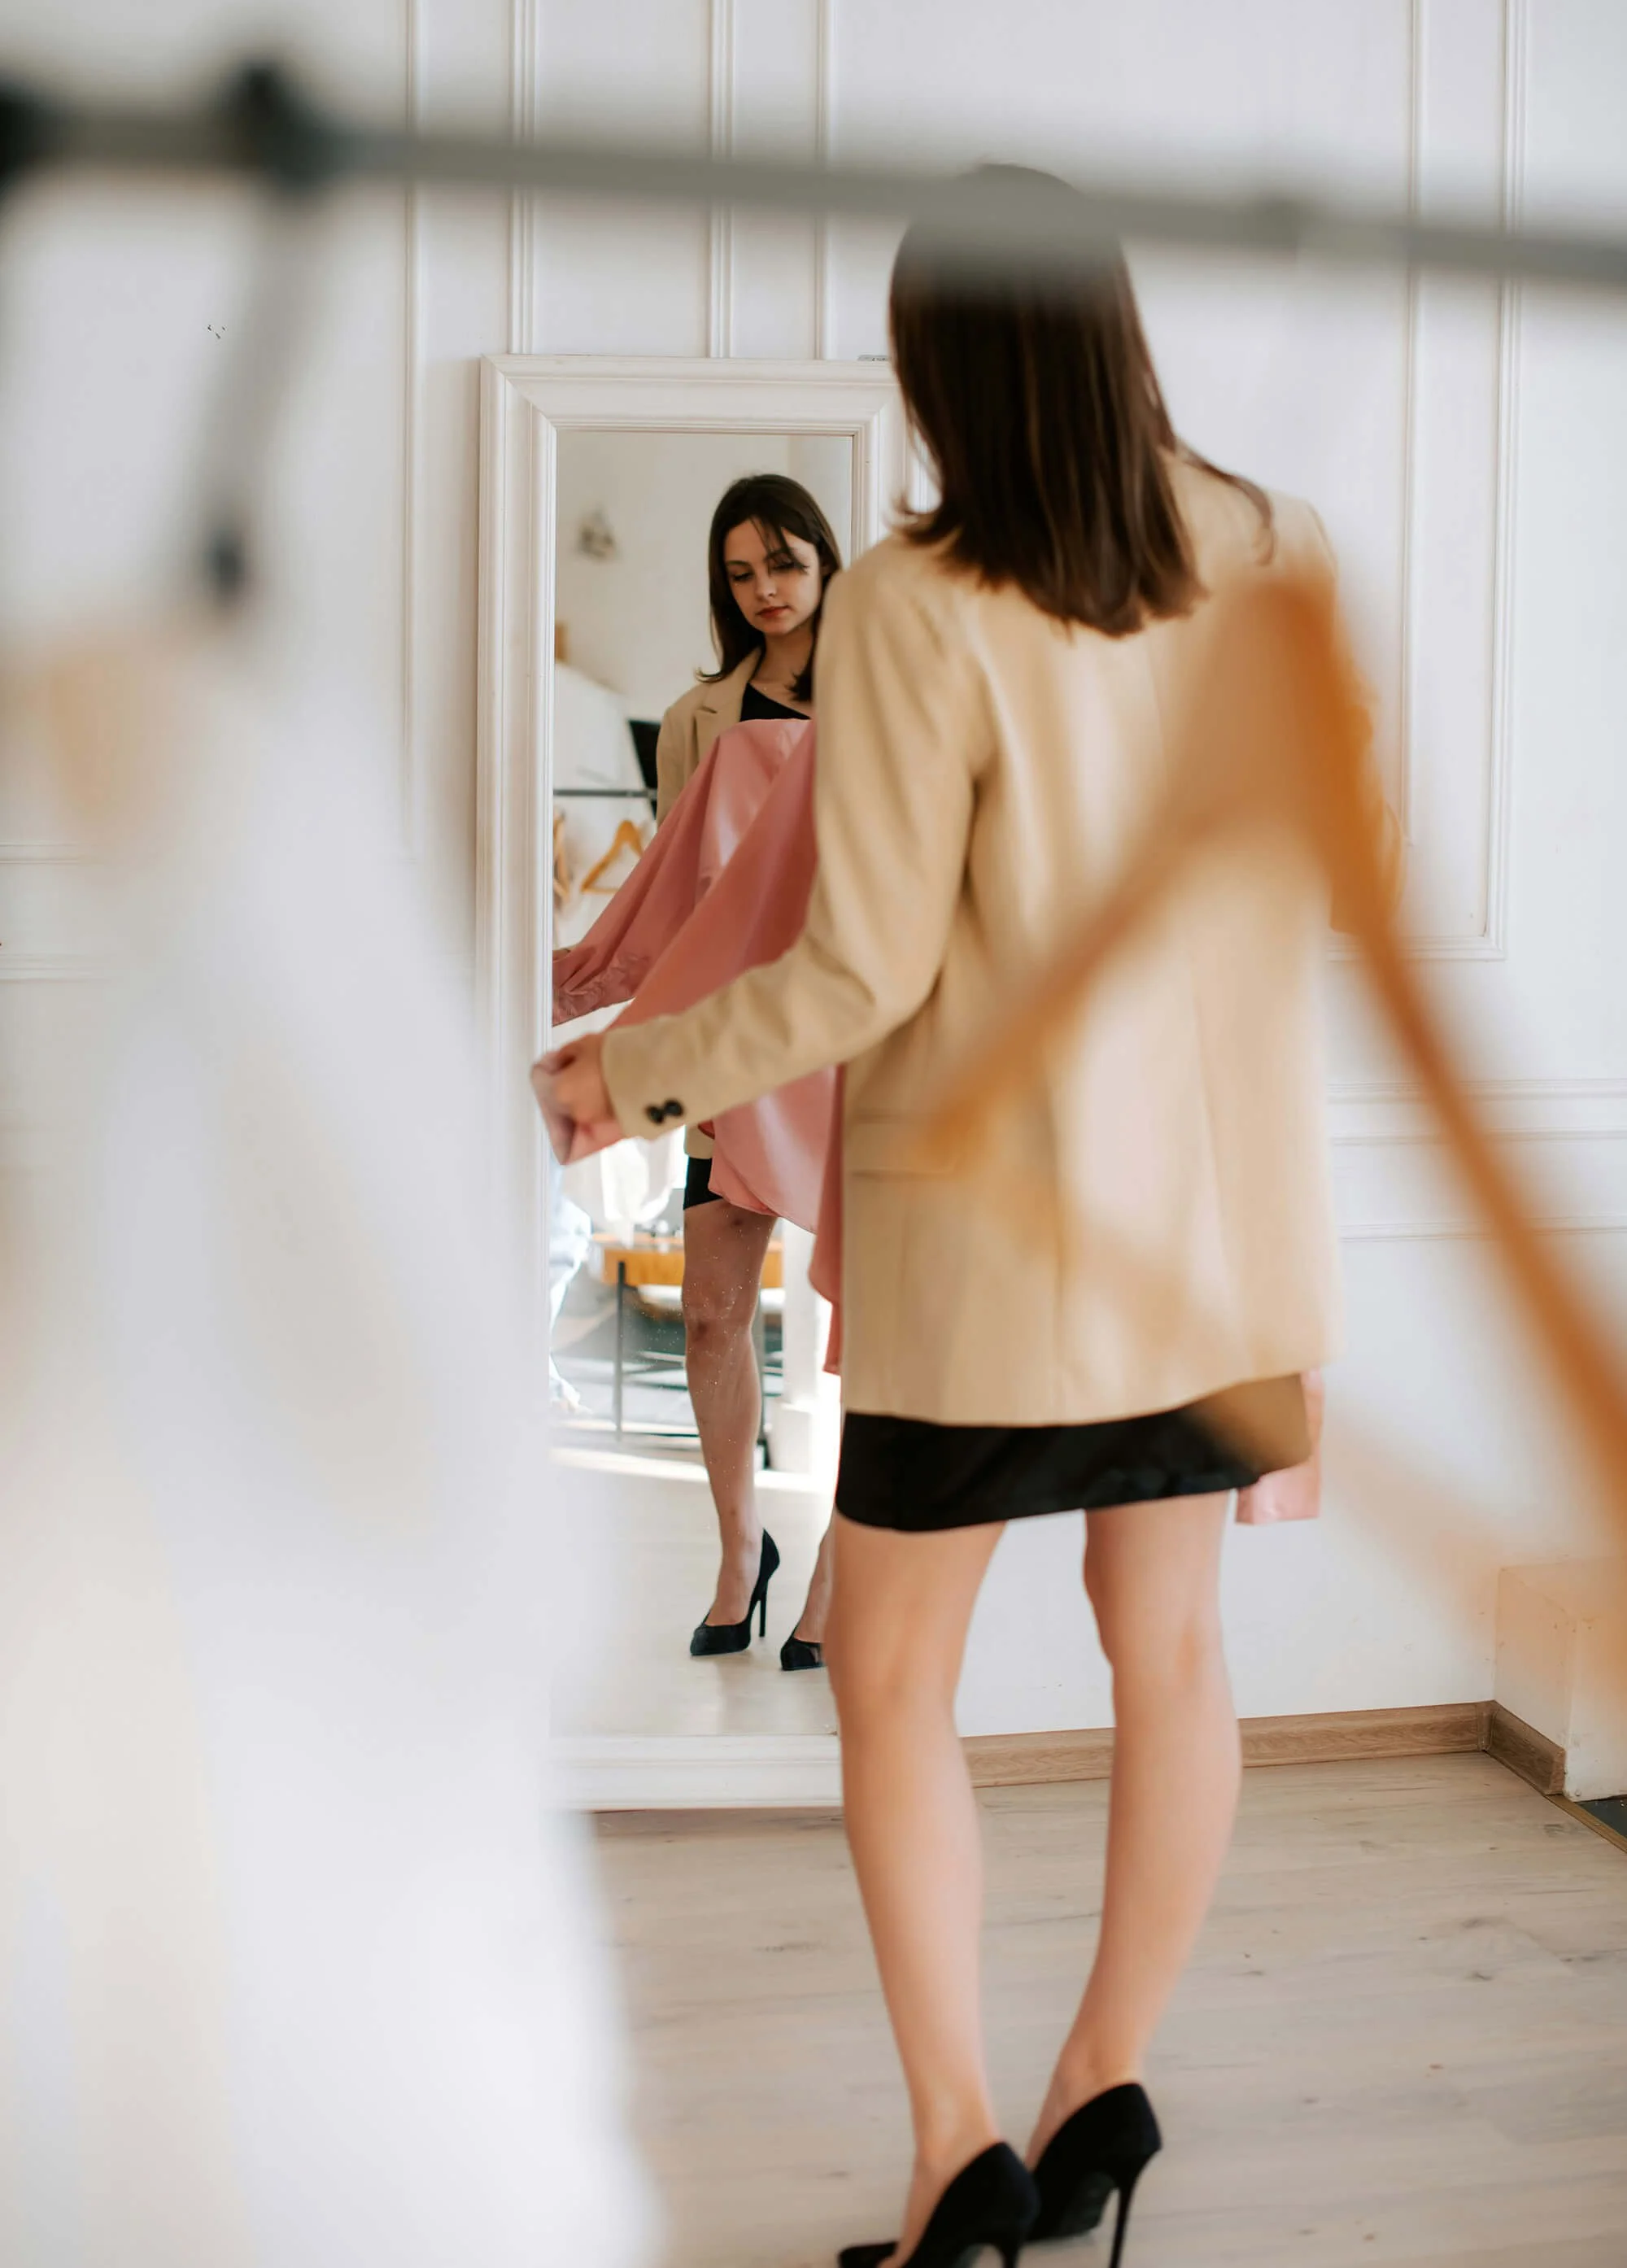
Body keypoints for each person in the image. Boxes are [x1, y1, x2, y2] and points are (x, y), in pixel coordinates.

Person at [539, 171, 1376, 2268]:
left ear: (943, 364)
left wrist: (621, 1072)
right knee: (1169, 1655)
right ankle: (1103, 2081)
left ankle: (960, 2157)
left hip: (1002, 1250)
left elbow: (860, 974)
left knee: (895, 1677)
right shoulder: (1273, 549)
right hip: (1215, 1245)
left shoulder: (920, 597)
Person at [656, 473, 841, 1670]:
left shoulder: (895, 693)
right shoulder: (696, 720)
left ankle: (834, 1575)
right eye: (741, 573)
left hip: (858, 1047)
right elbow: (681, 905)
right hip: (734, 1043)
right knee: (714, 1311)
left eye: (782, 563)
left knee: (870, 1327)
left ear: (824, 561)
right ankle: (740, 1552)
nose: (765, 590)